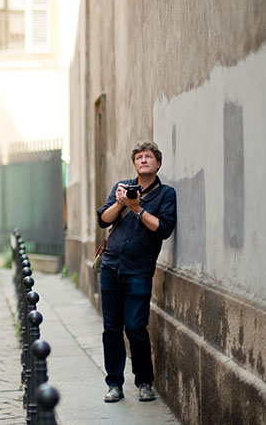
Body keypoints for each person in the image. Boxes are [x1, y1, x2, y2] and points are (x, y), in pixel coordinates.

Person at [96, 141, 176, 404]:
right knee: (111, 328)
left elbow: (163, 229)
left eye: (149, 157)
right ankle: (114, 384)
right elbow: (104, 219)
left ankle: (144, 382)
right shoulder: (122, 187)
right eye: (139, 157)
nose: (143, 160)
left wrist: (137, 209)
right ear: (134, 164)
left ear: (158, 163)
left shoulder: (166, 195)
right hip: (110, 267)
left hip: (139, 271)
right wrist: (121, 203)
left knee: (135, 327)